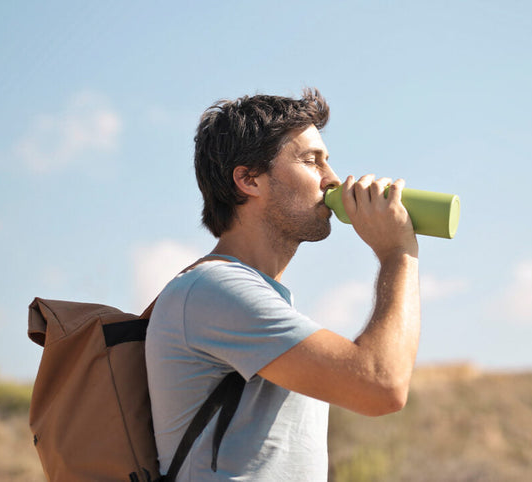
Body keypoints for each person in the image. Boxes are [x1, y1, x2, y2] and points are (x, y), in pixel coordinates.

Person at [145, 88, 420, 481]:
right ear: (249, 179)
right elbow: (381, 384)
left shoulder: (253, 296)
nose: (332, 180)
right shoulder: (214, 290)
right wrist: (397, 254)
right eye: (312, 161)